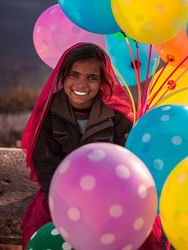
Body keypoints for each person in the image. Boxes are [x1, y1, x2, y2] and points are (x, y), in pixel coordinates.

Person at [21, 43, 162, 249]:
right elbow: (45, 163)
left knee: (132, 233)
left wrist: (101, 200)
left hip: (109, 196)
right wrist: (70, 200)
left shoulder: (118, 117)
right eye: (74, 75)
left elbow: (128, 166)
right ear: (63, 77)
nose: (82, 84)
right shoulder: (48, 114)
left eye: (92, 78)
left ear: (103, 82)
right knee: (46, 226)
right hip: (60, 195)